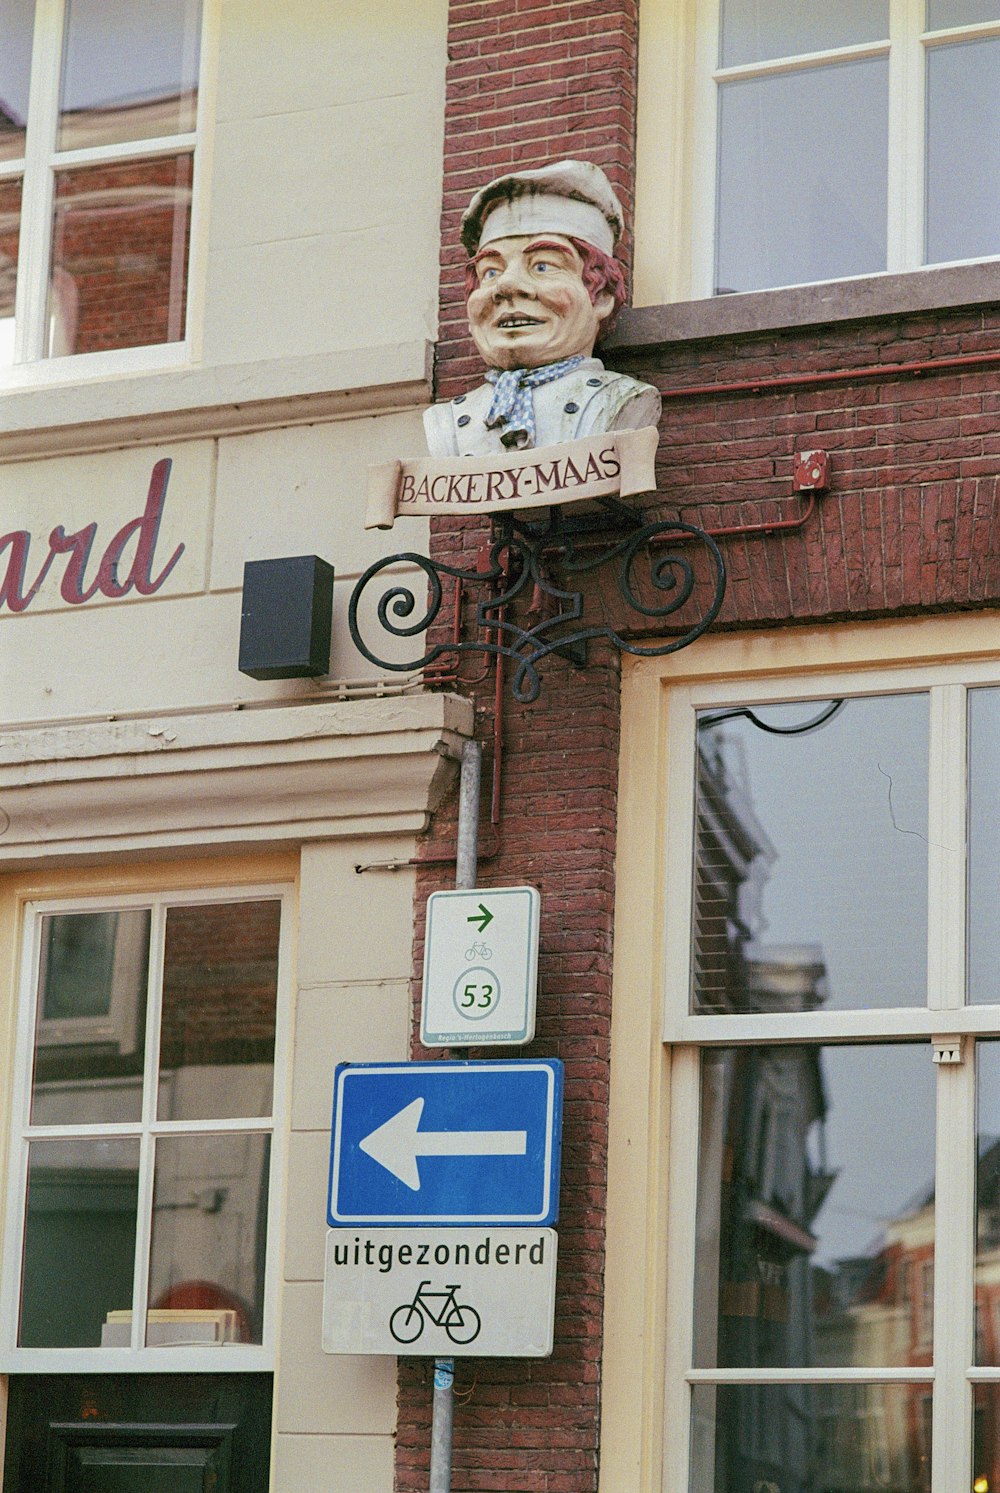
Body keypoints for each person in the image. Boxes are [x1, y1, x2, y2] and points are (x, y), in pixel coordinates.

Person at [423, 159, 661, 458]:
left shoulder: (619, 401)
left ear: (600, 297)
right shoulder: (445, 424)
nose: (506, 286)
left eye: (543, 266)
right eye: (491, 272)